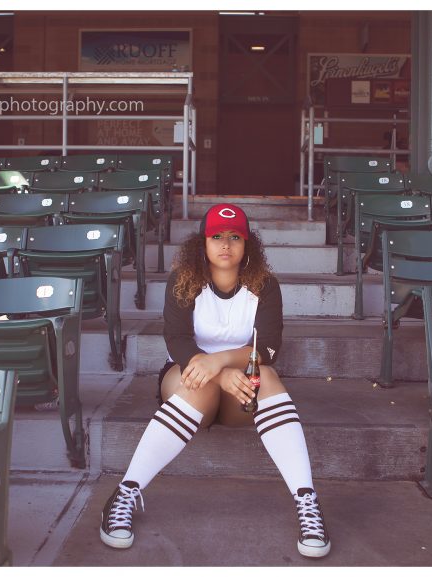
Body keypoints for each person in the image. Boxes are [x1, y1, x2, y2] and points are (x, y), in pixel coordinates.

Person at [99, 203, 330, 558]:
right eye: (217, 237)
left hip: (241, 391)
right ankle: (126, 494)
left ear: (247, 243)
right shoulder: (184, 279)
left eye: (235, 237)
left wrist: (221, 361)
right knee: (199, 381)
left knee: (265, 376)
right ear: (201, 243)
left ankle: (307, 502)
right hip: (189, 381)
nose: (226, 244)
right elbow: (176, 339)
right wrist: (214, 372)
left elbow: (267, 348)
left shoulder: (265, 285)